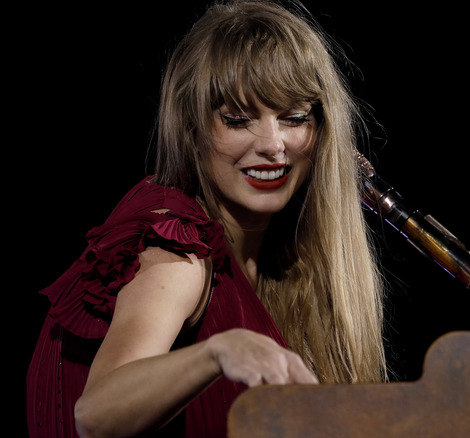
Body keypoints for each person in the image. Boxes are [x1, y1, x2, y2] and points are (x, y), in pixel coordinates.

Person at [26, 1, 388, 436]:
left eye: (294, 118)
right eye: (238, 120)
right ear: (193, 129)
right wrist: (221, 351)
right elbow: (96, 414)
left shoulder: (280, 258)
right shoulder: (178, 251)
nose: (275, 146)